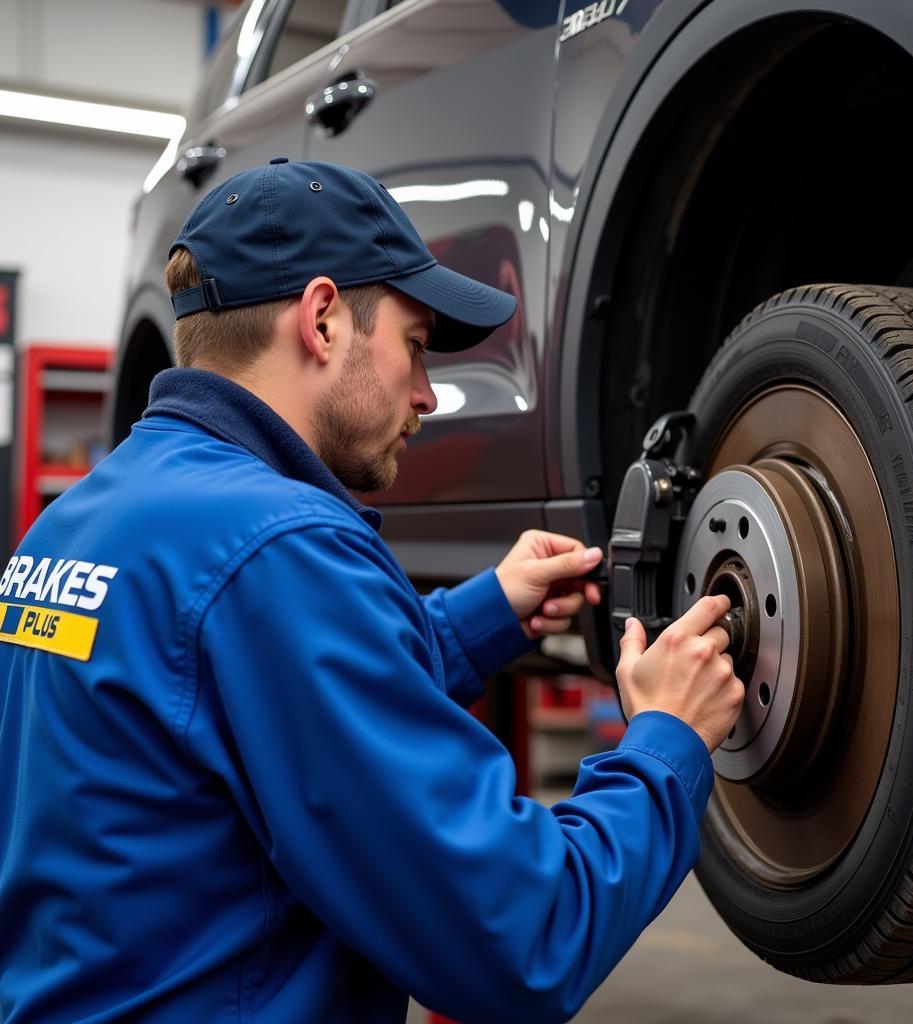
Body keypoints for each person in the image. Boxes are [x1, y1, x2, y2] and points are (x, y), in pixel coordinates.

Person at [0, 159, 743, 1023]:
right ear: (321, 320)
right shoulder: (285, 550)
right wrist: (666, 742)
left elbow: (251, 699)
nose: (427, 395)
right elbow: (523, 935)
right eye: (416, 346)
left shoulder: (73, 526)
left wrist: (484, 612)